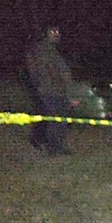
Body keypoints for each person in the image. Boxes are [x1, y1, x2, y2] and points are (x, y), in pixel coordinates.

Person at [25, 24, 79, 157]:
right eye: (53, 32)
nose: (56, 34)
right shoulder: (43, 51)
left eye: (57, 32)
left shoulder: (51, 50)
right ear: (46, 33)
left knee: (57, 120)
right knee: (56, 120)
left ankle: (55, 146)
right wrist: (69, 94)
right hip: (50, 91)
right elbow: (58, 74)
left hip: (52, 90)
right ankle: (54, 148)